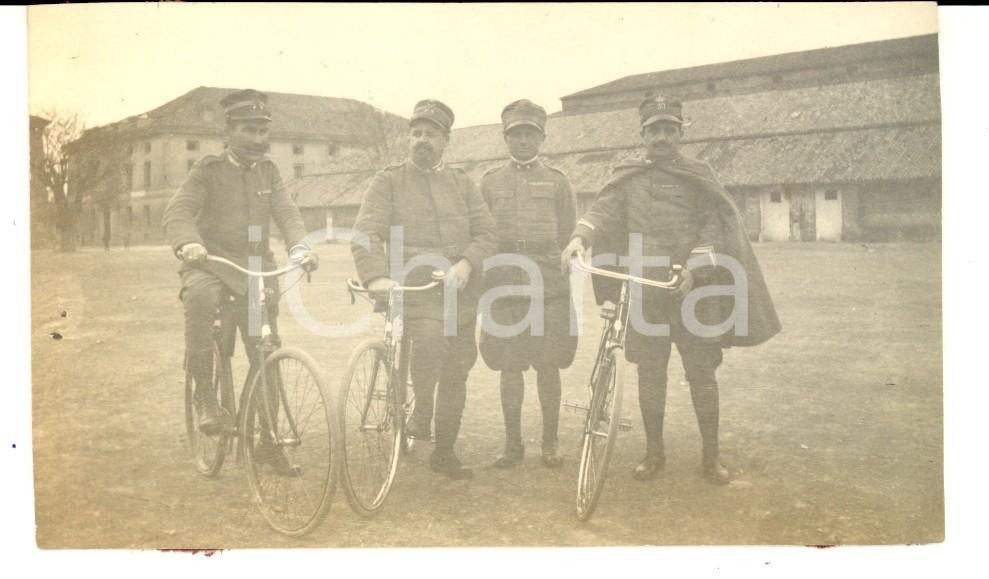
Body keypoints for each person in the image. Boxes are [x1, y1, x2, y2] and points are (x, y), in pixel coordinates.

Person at [562, 94, 780, 485]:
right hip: (646, 290)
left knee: (702, 373)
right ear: (643, 135)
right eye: (654, 131)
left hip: (694, 290)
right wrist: (579, 237)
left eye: (669, 130)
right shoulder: (628, 177)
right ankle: (653, 453)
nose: (661, 137)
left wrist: (695, 268)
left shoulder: (699, 175)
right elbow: (601, 212)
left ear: (680, 133)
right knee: (650, 373)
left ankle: (711, 458)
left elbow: (715, 224)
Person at [162, 89, 318, 472]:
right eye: (249, 130)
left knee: (267, 350)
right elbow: (179, 211)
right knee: (199, 299)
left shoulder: (269, 171)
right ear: (228, 132)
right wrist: (189, 244)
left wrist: (301, 247)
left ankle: (268, 440)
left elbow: (287, 213)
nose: (258, 139)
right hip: (210, 264)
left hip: (254, 271)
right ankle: (205, 395)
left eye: (263, 131)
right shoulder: (208, 170)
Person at [351, 99, 497, 480]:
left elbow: (486, 232)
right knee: (431, 340)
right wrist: (376, 277)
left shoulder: (462, 184)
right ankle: (421, 412)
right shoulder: (388, 181)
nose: (421, 140)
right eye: (415, 133)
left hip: (458, 292)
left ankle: (444, 453)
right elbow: (366, 233)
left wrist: (466, 263)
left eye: (430, 134)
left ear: (446, 140)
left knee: (458, 368)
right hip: (412, 289)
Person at [478, 99, 577, 469]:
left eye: (530, 134)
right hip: (503, 280)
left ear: (542, 138)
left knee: (548, 365)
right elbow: (481, 231)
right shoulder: (489, 182)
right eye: (516, 134)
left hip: (548, 282)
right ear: (506, 138)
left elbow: (568, 232)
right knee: (509, 365)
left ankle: (550, 444)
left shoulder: (558, 182)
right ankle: (512, 444)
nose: (523, 140)